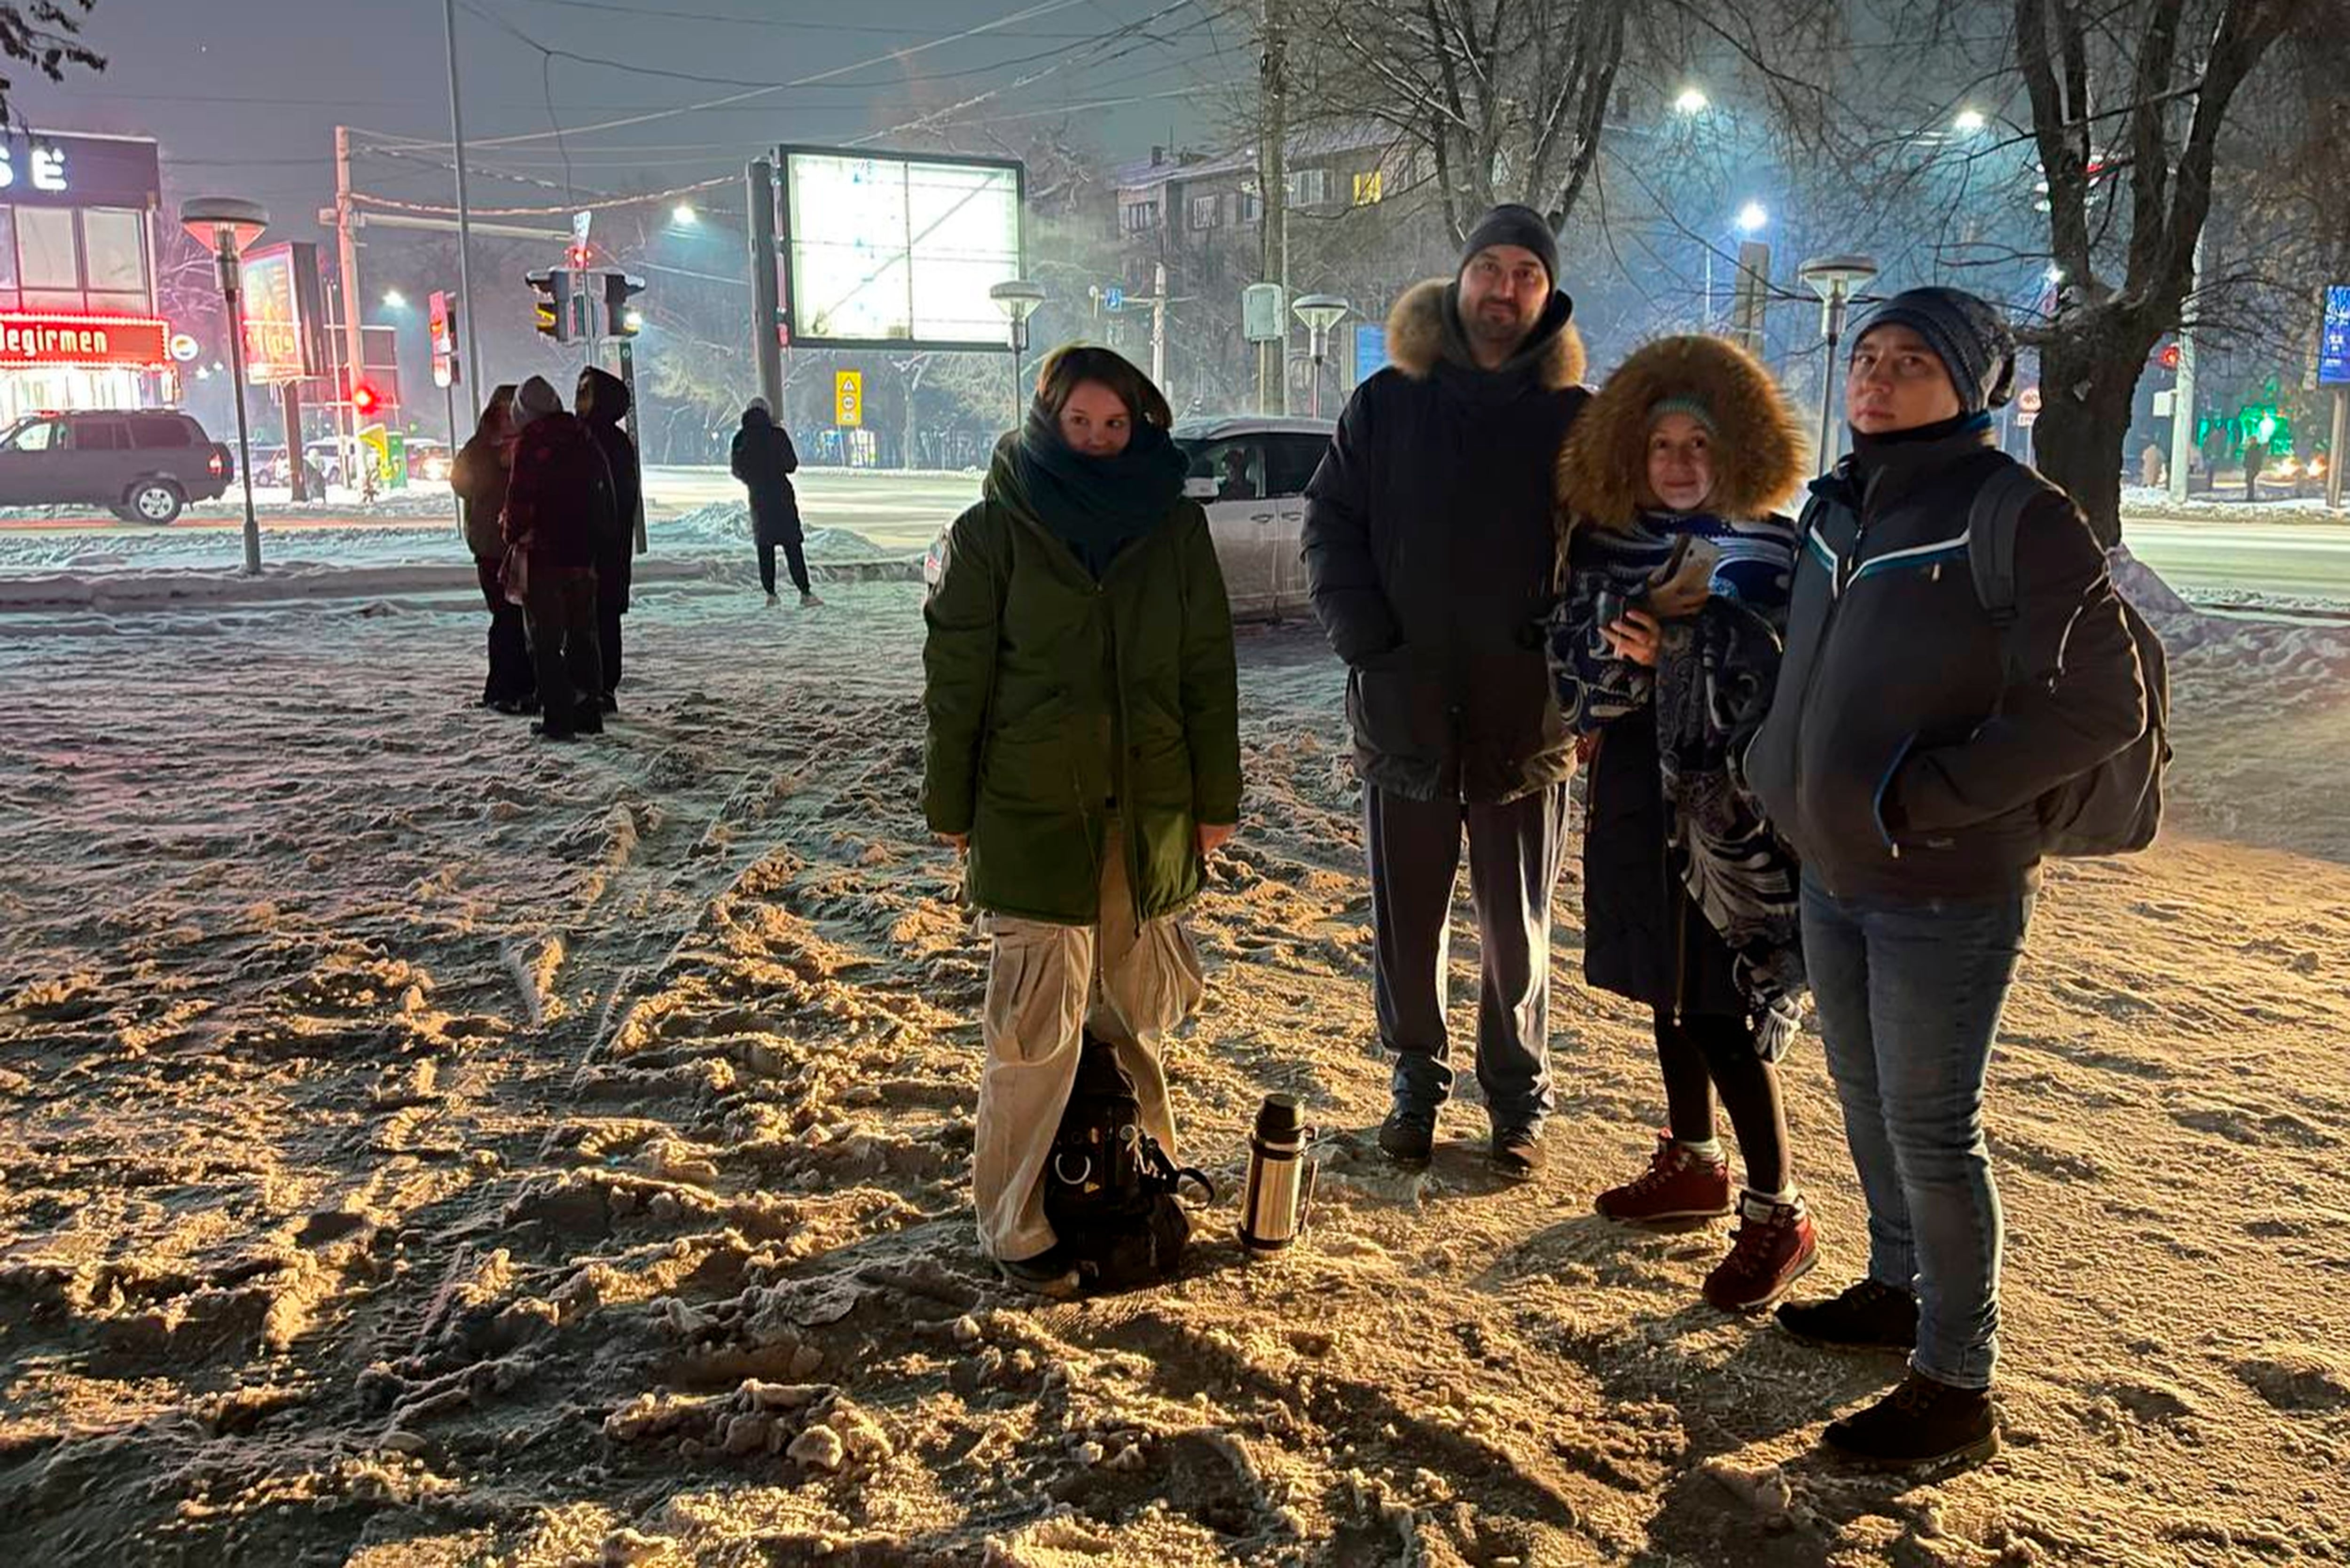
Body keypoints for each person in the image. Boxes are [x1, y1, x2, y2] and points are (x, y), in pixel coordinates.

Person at [1746, 287, 2146, 1468]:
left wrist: (1926, 798)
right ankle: (1892, 1283)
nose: (1874, 379)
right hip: (1834, 867)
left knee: (1932, 1126)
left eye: (1910, 361)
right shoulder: (1837, 506)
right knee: (1866, 1102)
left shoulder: (2016, 514)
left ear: (1971, 385)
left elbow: (2102, 704)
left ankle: (1957, 1381)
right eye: (1865, 357)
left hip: (1946, 882)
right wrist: (1779, 768)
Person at [921, 344, 1240, 1297]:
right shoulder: (993, 532)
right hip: (1033, 811)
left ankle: (1139, 1172)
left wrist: (1215, 802)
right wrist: (952, 803)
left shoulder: (1174, 527)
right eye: (1082, 423)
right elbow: (957, 682)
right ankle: (1015, 1222)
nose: (1099, 441)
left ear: (1142, 425)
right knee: (1034, 1030)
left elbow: (1204, 669)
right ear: (1048, 420)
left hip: (1149, 813)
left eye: (1117, 425)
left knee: (1135, 1014)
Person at [1301, 203, 1589, 1179]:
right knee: (1407, 917)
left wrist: (1581, 673)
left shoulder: (1573, 420)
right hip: (1405, 707)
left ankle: (1516, 1098)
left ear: (1547, 298)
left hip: (1526, 717)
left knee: (1516, 929)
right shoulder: (1386, 402)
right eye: (1490, 269)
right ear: (1458, 279)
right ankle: (1415, 1080)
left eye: (1526, 276)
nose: (1504, 290)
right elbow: (1329, 525)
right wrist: (1367, 641)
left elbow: (1607, 555)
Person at [1546, 334, 1816, 1311]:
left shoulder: (1774, 546)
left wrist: (1675, 662)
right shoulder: (1598, 541)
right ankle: (1692, 1158)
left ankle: (1778, 1209)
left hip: (1726, 804)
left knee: (1715, 1000)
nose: (1678, 463)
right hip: (1629, 786)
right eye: (1660, 445)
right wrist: (1618, 669)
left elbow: (1783, 681)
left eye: (1698, 445)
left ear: (1735, 450)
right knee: (1663, 984)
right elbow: (1572, 669)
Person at [501, 375, 614, 742]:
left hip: (545, 556)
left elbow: (519, 500)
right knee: (584, 634)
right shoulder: (583, 438)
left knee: (546, 640)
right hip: (583, 555)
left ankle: (559, 718)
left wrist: (511, 530)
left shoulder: (532, 444)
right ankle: (588, 712)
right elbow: (605, 493)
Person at [451, 383, 534, 715]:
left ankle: (518, 686)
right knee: (507, 618)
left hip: (516, 544)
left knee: (519, 620)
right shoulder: (482, 449)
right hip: (494, 546)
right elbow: (462, 484)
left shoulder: (525, 446)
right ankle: (505, 687)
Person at [577, 367, 642, 713]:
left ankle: (597, 687)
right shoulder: (614, 442)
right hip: (610, 549)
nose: (579, 399)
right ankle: (601, 687)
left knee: (596, 618)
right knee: (602, 617)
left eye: (586, 392)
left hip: (597, 548)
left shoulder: (593, 440)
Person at [732, 401, 819, 608]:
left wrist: (753, 480)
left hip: (758, 498)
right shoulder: (777, 436)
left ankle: (771, 594)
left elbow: (737, 470)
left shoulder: (741, 438)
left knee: (765, 547)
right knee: (792, 546)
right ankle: (805, 592)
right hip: (781, 496)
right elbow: (791, 465)